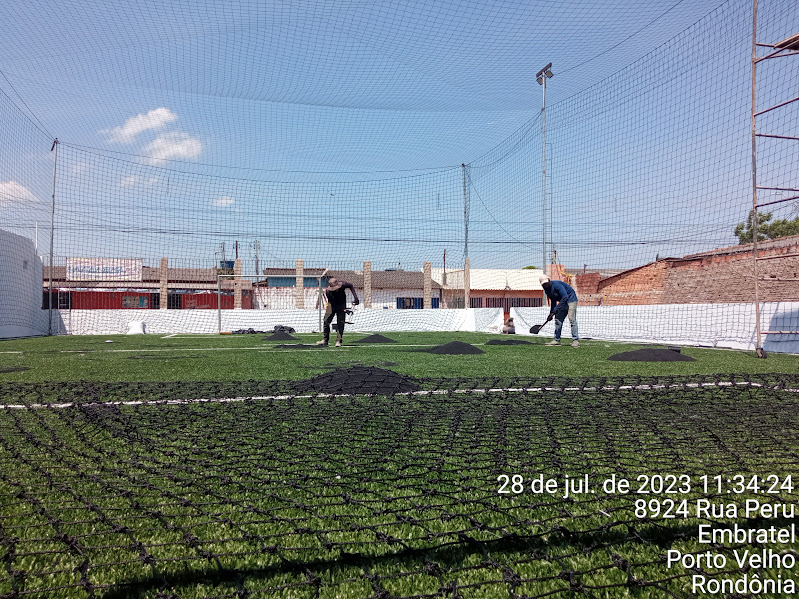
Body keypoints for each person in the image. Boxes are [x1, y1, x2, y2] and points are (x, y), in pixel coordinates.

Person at [316, 277, 359, 347]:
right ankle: (325, 340)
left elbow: (351, 285)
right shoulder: (328, 292)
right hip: (332, 304)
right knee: (326, 321)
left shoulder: (343, 284)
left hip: (341, 304)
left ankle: (338, 340)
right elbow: (330, 302)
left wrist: (356, 298)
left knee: (340, 322)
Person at [539, 275, 579, 347]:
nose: (546, 285)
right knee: (558, 320)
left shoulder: (557, 285)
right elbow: (553, 301)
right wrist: (551, 313)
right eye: (544, 284)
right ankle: (556, 340)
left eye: (546, 283)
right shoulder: (547, 290)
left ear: (549, 280)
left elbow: (565, 297)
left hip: (571, 299)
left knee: (572, 319)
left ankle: (575, 340)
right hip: (562, 301)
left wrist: (556, 309)